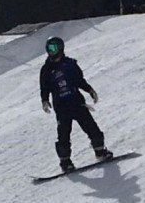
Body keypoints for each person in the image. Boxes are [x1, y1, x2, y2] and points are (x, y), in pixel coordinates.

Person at [40, 36, 112, 172]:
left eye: (53, 48)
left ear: (60, 48)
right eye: (49, 48)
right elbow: (44, 87)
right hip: (61, 106)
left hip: (76, 102)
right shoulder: (46, 69)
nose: (51, 51)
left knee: (91, 127)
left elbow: (80, 80)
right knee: (63, 134)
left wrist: (90, 90)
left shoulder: (70, 64)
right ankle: (65, 162)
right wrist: (44, 100)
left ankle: (100, 151)